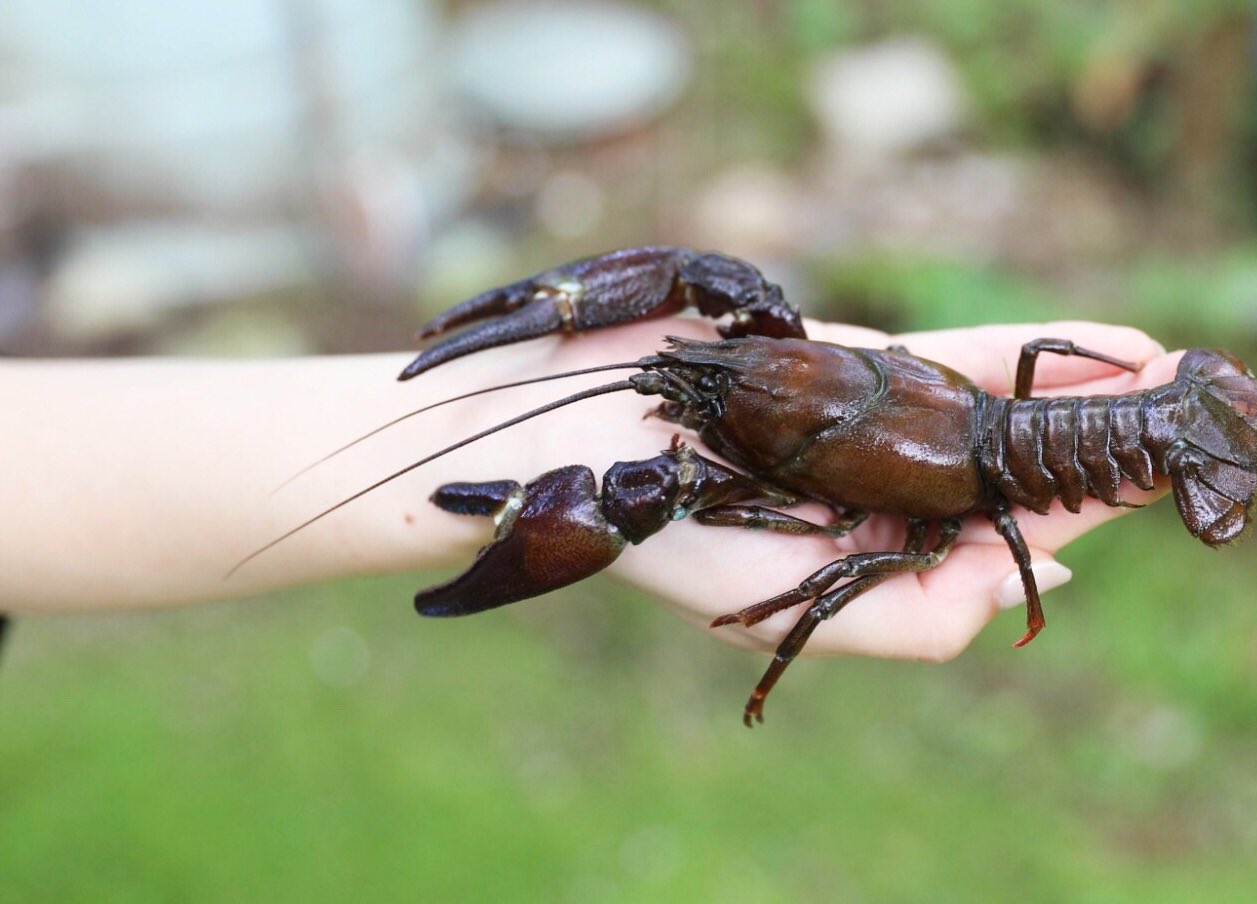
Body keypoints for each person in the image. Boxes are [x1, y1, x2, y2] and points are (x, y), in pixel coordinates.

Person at [0, 316, 1176, 663]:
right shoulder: (774, 368)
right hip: (1014, 429)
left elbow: (856, 550)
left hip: (1052, 438)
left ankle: (1183, 430)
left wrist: (783, 608)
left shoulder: (886, 452)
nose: (689, 379)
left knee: (837, 568)